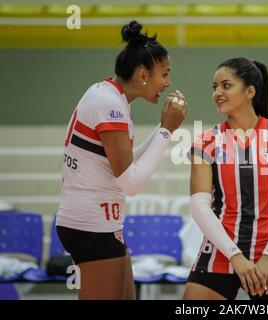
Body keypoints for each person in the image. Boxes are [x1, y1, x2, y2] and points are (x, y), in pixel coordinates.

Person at [55, 21, 187, 300]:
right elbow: (130, 182)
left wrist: (166, 128)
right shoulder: (109, 105)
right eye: (164, 74)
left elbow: (125, 165)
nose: (168, 83)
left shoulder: (113, 98)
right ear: (142, 75)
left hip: (98, 223)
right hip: (90, 224)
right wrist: (165, 131)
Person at [183, 57, 268, 300]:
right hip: (220, 252)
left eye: (226, 85)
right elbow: (199, 206)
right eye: (214, 87)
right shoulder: (206, 140)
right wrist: (235, 256)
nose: (217, 93)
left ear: (250, 91)